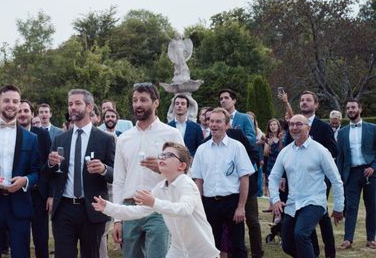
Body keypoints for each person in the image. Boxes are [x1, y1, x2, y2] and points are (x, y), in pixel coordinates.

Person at [93, 142, 219, 258]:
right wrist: (108, 207)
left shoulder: (186, 183)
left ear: (181, 166)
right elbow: (138, 212)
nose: (163, 157)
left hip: (202, 253)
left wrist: (154, 202)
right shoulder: (160, 188)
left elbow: (185, 209)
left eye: (169, 155)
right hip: (178, 250)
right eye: (162, 154)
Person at [112, 82, 184, 258]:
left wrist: (162, 169)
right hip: (130, 207)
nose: (138, 104)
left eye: (143, 100)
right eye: (135, 100)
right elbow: (119, 180)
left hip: (158, 207)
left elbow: (184, 172)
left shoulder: (172, 134)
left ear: (156, 103)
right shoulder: (124, 138)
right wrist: (117, 218)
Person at [47, 89, 115, 258]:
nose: (73, 108)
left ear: (89, 107)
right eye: (70, 104)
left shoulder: (105, 139)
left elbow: (116, 174)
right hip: (64, 209)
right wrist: (50, 163)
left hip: (92, 208)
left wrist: (103, 169)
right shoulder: (60, 139)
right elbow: (48, 173)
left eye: (77, 103)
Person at [0, 85, 40, 258]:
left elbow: (36, 172)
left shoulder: (31, 138)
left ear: (19, 104)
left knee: (21, 253)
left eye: (15, 101)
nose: (11, 105)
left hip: (19, 205)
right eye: (6, 101)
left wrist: (25, 181)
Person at [268, 114, 344, 258]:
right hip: (292, 203)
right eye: (291, 124)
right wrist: (275, 199)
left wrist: (339, 207)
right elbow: (273, 177)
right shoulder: (285, 152)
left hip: (314, 201)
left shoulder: (320, 151)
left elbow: (336, 180)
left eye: (299, 124)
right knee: (287, 245)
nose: (294, 128)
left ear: (308, 128)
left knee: (301, 234)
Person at [192, 107, 255, 258]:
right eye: (211, 121)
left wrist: (241, 207)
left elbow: (244, 178)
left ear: (227, 125)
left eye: (218, 121)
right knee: (211, 245)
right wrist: (198, 206)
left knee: (237, 246)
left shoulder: (237, 147)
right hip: (209, 203)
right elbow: (198, 180)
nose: (214, 124)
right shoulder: (202, 149)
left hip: (232, 202)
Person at [283, 90, 338, 258]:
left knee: (322, 220)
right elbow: (286, 152)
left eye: (308, 100)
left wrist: (312, 151)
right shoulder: (293, 125)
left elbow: (334, 150)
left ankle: (330, 253)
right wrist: (284, 176)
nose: (304, 103)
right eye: (302, 100)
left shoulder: (323, 127)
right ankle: (311, 251)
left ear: (316, 105)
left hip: (318, 179)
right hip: (296, 180)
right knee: (303, 222)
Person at [336, 99, 376, 250]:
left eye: (353, 107)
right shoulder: (342, 132)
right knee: (350, 207)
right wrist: (339, 176)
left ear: (360, 109)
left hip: (370, 172)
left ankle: (371, 239)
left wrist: (373, 167)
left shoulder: (373, 128)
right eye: (348, 108)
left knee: (372, 206)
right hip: (351, 174)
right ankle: (348, 239)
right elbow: (340, 157)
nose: (350, 110)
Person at [17, 100, 52, 258]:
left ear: (32, 114)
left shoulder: (43, 135)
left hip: (39, 195)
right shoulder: (12, 134)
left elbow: (50, 165)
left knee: (41, 239)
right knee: (20, 239)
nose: (22, 114)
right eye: (19, 111)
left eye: (26, 111)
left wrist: (51, 194)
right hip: (18, 194)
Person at [263, 118, 283, 198]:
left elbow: (282, 151)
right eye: (271, 125)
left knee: (280, 183)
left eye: (274, 124)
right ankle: (271, 204)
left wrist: (280, 140)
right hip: (271, 163)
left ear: (278, 126)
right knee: (271, 182)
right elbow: (265, 153)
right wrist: (270, 145)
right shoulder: (268, 139)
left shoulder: (282, 137)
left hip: (280, 162)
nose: (272, 126)